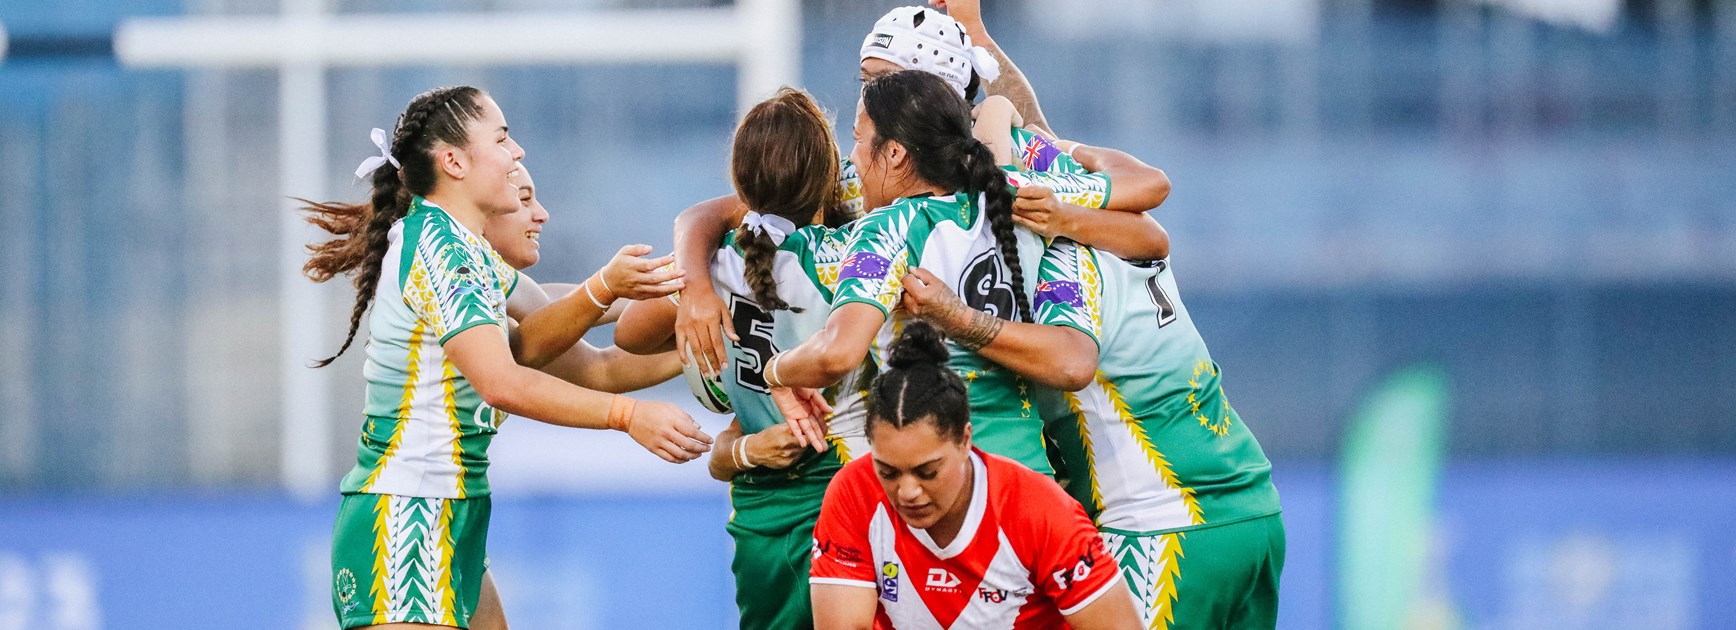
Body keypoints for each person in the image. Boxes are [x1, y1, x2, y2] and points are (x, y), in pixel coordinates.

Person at [300, 86, 712, 629]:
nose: (516, 151)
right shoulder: (440, 249)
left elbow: (573, 342)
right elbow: (502, 382)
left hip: (453, 515)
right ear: (453, 161)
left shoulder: (464, 249)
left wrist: (699, 328)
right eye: (501, 138)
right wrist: (629, 417)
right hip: (404, 518)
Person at [908, 115, 1287, 630]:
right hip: (1251, 506)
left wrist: (956, 317)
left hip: (1163, 528)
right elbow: (1142, 186)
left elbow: (1070, 361)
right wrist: (1014, 114)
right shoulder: (1119, 223)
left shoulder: (1062, 257)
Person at [670, 2, 1172, 377]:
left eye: (885, 81)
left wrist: (1065, 218)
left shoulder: (1009, 165)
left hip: (1046, 411)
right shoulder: (858, 175)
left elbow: (1149, 229)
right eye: (866, 80)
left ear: (936, 93)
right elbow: (712, 217)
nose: (869, 97)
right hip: (921, 419)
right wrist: (694, 289)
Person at [763, 70, 1119, 477]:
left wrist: (777, 371)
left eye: (859, 141)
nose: (854, 159)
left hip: (940, 489)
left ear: (894, 153)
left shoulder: (888, 228)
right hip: (1030, 488)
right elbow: (1148, 204)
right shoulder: (1021, 192)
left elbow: (837, 353)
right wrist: (1003, 113)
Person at [613, 88, 869, 630]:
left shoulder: (720, 269)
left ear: (738, 185)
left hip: (758, 512)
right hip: (846, 494)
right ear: (829, 181)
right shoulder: (855, 257)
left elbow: (631, 335)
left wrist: (690, 289)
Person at [808, 322, 1140, 630]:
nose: (907, 491)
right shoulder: (853, 491)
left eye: (928, 471)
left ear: (966, 440)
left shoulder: (1039, 510)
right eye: (887, 472)